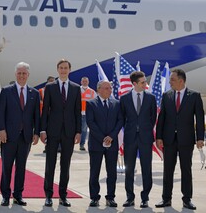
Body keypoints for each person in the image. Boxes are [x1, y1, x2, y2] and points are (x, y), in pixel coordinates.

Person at [155, 69, 205, 210]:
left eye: (172, 79)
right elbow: (162, 118)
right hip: (169, 139)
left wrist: (200, 137)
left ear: (181, 81)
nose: (170, 82)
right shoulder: (166, 96)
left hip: (186, 139)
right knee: (168, 170)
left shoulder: (194, 96)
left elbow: (199, 118)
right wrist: (159, 136)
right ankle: (166, 199)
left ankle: (187, 199)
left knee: (186, 170)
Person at [0, 62, 40, 207]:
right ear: (15, 74)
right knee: (6, 167)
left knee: (21, 167)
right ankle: (5, 195)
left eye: (24, 73)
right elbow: (0, 113)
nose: (22, 76)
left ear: (28, 75)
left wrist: (36, 133)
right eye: (19, 73)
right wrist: (1, 130)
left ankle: (18, 194)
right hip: (8, 136)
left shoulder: (34, 93)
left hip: (25, 137)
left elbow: (36, 116)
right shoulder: (6, 91)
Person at [40, 59, 81, 207]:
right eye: (61, 68)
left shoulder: (76, 88)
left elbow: (77, 112)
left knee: (66, 164)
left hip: (69, 132)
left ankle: (63, 196)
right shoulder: (50, 87)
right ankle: (48, 195)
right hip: (52, 131)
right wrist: (43, 130)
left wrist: (78, 131)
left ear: (70, 70)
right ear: (57, 70)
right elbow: (45, 110)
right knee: (50, 164)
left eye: (66, 68)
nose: (63, 70)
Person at [120, 71, 157, 208]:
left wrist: (144, 129)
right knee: (129, 169)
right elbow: (123, 118)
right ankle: (130, 197)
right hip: (130, 138)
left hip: (146, 138)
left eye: (145, 82)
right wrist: (131, 129)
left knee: (146, 168)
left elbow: (153, 118)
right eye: (142, 82)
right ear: (134, 83)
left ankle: (145, 198)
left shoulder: (150, 98)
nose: (145, 84)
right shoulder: (124, 99)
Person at [86, 80, 123, 208]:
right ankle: (94, 197)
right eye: (106, 88)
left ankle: (110, 197)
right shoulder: (91, 104)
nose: (109, 90)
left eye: (110, 88)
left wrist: (111, 137)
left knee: (112, 173)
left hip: (112, 144)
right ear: (99, 90)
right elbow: (90, 122)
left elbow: (120, 121)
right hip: (96, 144)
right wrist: (103, 138)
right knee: (94, 172)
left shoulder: (116, 104)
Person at [38, 76, 55, 154]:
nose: (52, 82)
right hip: (43, 114)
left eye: (53, 81)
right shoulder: (41, 91)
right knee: (45, 131)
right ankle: (46, 146)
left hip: (53, 115)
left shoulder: (57, 90)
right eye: (50, 81)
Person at [79, 76, 96, 151]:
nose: (85, 82)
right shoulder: (76, 90)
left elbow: (95, 103)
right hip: (76, 113)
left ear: (88, 82)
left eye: (86, 81)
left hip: (86, 113)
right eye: (83, 81)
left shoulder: (92, 92)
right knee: (72, 129)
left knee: (84, 129)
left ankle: (82, 144)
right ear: (81, 82)